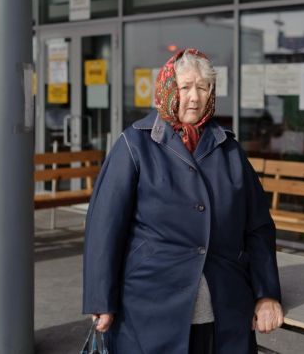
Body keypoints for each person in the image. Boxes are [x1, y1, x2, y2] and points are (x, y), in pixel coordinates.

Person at [82, 48, 283, 354]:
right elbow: (104, 228)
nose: (194, 97)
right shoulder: (134, 144)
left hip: (224, 305)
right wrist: (101, 300)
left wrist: (266, 293)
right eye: (185, 86)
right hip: (150, 306)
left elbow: (258, 227)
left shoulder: (228, 148)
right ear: (167, 88)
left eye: (203, 87)